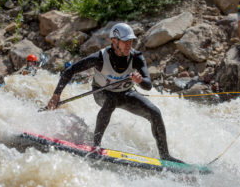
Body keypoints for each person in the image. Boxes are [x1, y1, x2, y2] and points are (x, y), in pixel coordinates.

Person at [47, 23, 183, 163]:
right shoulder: (100, 57)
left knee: (154, 112)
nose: (129, 45)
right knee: (111, 100)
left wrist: (140, 80)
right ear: (114, 41)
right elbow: (70, 71)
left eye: (130, 41)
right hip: (102, 93)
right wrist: (56, 95)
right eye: (125, 42)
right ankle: (96, 146)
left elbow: (148, 85)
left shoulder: (136, 57)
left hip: (125, 93)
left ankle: (165, 155)